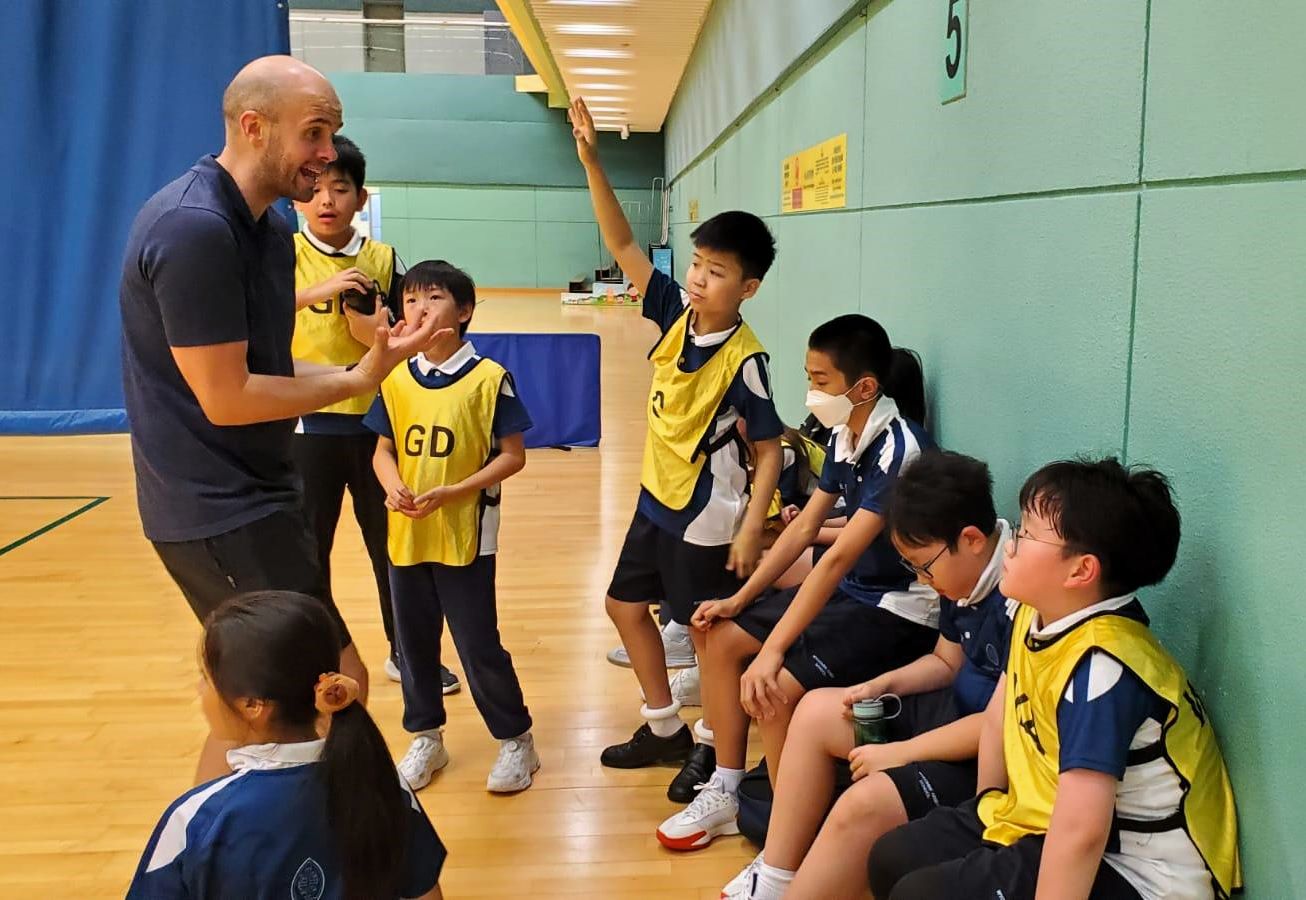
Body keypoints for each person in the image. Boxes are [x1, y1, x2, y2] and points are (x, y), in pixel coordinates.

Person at [119, 55, 443, 782]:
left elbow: (268, 364)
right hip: (216, 510)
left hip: (261, 495)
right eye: (314, 133)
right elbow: (227, 396)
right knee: (309, 697)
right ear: (253, 126)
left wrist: (366, 371)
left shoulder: (265, 230)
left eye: (333, 133)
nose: (328, 154)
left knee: (278, 698)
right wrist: (351, 382)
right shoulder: (194, 228)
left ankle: (224, 835)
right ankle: (232, 835)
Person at [868, 459, 1242, 900]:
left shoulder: (1104, 667)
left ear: (1080, 571)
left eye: (1026, 534)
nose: (1010, 545)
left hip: (1145, 875)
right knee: (893, 855)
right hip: (1051, 822)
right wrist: (987, 816)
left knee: (923, 894)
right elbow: (999, 719)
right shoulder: (1034, 614)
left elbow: (1082, 833)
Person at [657, 314, 938, 851]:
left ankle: (785, 840)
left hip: (897, 608)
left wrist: (772, 650)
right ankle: (727, 787)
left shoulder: (900, 450)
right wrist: (738, 598)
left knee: (775, 687)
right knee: (718, 633)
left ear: (865, 388)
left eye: (821, 380)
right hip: (857, 590)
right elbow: (806, 527)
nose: (811, 392)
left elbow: (834, 560)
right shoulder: (845, 434)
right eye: (809, 377)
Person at [568, 97, 785, 788]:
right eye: (696, 263)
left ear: (748, 287)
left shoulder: (746, 360)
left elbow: (770, 451)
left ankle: (715, 744)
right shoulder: (672, 312)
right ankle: (664, 726)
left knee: (706, 634)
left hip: (705, 517)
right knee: (623, 606)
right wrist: (592, 162)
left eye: (716, 271)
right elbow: (623, 245)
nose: (698, 278)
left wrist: (751, 528)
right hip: (654, 498)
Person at [722, 450, 1015, 898]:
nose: (923, 579)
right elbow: (946, 662)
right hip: (953, 713)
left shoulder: (1018, 596)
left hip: (986, 757)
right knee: (815, 711)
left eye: (924, 567)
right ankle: (778, 873)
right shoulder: (962, 575)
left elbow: (999, 725)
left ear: (972, 539)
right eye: (913, 569)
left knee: (863, 802)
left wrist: (900, 753)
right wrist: (882, 684)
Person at [127, 591, 445, 899]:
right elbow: (426, 893)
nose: (200, 689)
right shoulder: (383, 782)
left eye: (206, 679)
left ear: (252, 705)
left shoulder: (195, 821)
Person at [290, 132, 459, 695]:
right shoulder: (284, 257)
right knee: (307, 554)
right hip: (306, 426)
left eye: (341, 188)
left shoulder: (383, 260)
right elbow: (255, 322)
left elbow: (403, 337)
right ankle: (315, 660)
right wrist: (318, 290)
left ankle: (406, 653)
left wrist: (372, 330)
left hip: (377, 427)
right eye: (316, 188)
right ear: (299, 197)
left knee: (393, 548)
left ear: (361, 198)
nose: (327, 200)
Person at [365, 260, 538, 794]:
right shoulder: (395, 377)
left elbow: (513, 456)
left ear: (463, 311)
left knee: (477, 642)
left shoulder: (489, 379)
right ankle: (426, 737)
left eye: (434, 298)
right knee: (413, 644)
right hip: (407, 535)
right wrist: (392, 483)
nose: (420, 309)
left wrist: (455, 491)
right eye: (411, 299)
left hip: (466, 535)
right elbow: (382, 450)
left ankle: (516, 739)